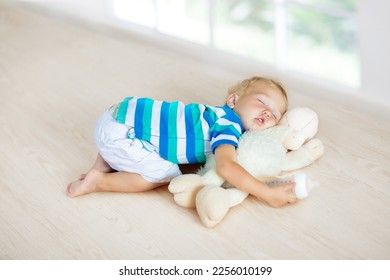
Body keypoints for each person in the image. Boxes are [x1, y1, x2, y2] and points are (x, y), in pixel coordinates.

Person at [66, 76, 297, 207]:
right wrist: (266, 193)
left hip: (119, 115)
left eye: (274, 115)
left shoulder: (211, 113)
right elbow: (227, 166)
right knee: (166, 173)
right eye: (262, 102)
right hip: (121, 133)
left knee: (155, 134)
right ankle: (99, 181)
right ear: (233, 100)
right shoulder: (229, 126)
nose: (267, 113)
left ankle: (103, 162)